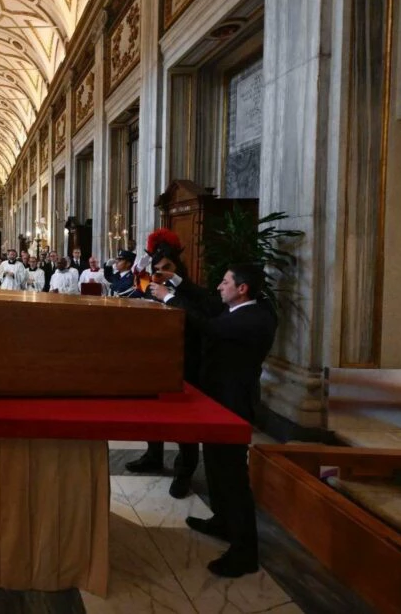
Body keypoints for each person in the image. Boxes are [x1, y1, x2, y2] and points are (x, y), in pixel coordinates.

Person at [151, 264, 277, 578]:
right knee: (216, 467)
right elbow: (206, 301)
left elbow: (209, 327)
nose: (219, 287)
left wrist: (169, 298)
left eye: (224, 282)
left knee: (233, 476)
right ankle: (222, 521)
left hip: (234, 404)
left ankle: (245, 553)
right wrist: (175, 281)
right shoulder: (238, 308)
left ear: (242, 288)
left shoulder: (255, 318)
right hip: (217, 401)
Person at [126, 229, 205, 498]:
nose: (161, 272)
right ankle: (153, 455)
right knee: (153, 411)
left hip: (185, 359)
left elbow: (194, 317)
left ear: (176, 267)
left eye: (167, 268)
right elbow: (140, 294)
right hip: (156, 357)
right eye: (157, 268)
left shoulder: (189, 291)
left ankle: (185, 470)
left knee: (185, 419)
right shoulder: (151, 285)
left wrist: (169, 293)